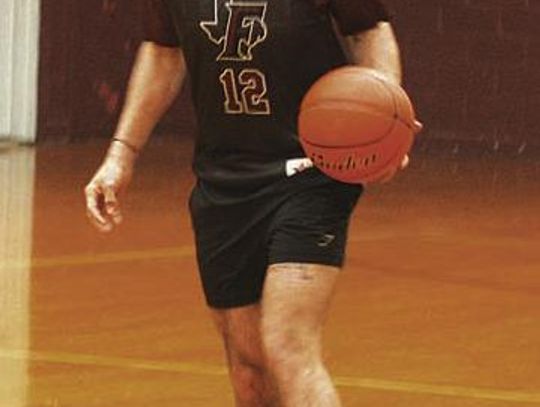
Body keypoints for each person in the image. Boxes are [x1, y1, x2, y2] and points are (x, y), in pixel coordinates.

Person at [85, 0, 417, 405]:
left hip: (310, 170)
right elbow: (163, 52)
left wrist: (386, 122)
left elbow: (368, 32)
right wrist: (121, 155)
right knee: (248, 368)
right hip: (223, 178)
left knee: (286, 343)